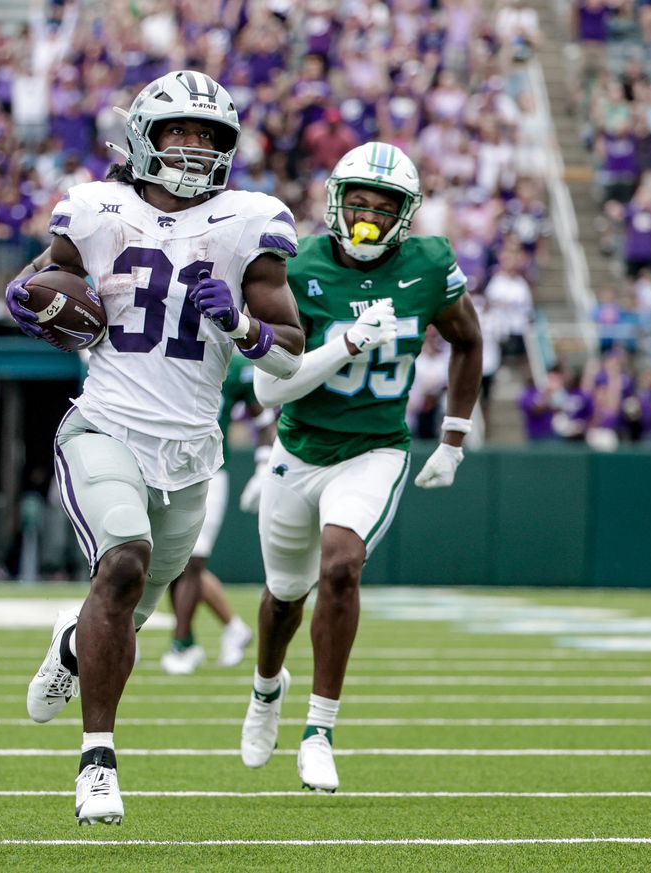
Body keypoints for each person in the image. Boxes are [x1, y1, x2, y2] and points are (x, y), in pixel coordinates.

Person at [4, 69, 304, 825]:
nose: (196, 148)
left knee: (124, 605)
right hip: (105, 424)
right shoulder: (97, 208)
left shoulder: (248, 221)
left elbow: (290, 351)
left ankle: (75, 645)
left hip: (190, 451)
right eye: (181, 132)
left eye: (209, 137)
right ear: (145, 136)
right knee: (125, 558)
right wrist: (31, 295)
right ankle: (97, 761)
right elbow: (46, 282)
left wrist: (239, 326)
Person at [239, 142, 482, 792]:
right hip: (300, 446)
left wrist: (453, 437)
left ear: (406, 214)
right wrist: (345, 343)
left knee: (342, 565)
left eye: (385, 206)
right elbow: (270, 388)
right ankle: (266, 689)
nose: (370, 216)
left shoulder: (430, 264)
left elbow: (468, 338)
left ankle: (319, 729)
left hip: (375, 447)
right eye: (361, 202)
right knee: (283, 596)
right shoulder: (300, 265)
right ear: (337, 201)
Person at [159, 354, 264, 676]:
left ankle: (182, 644)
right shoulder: (162, 353)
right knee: (168, 561)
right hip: (164, 466)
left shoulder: (234, 365)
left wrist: (264, 460)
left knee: (193, 560)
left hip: (209, 469)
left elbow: (262, 415)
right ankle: (226, 629)